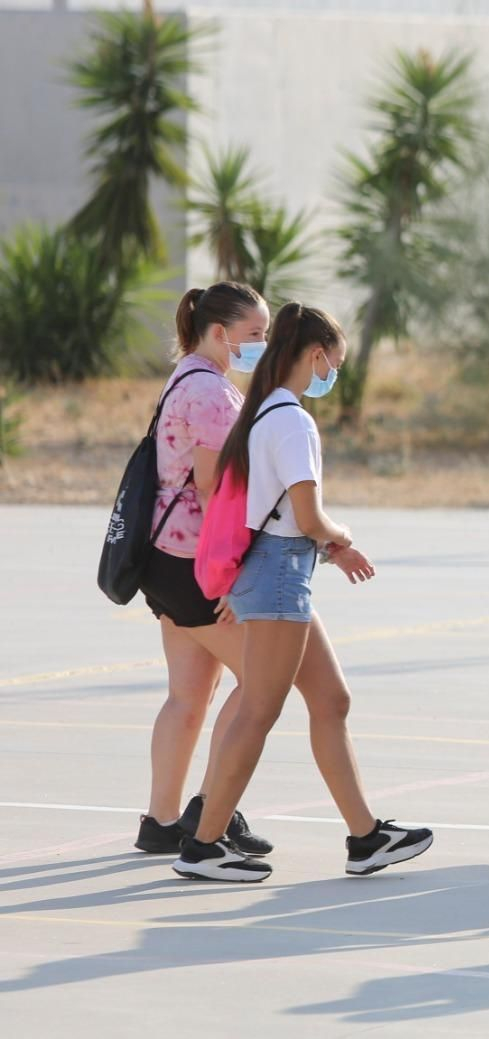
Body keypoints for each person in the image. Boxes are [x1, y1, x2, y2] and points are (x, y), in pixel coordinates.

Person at [172, 304, 433, 882]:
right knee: (258, 712)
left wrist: (330, 551)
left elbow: (282, 513)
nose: (331, 375)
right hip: (280, 574)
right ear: (315, 355)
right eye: (333, 363)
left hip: (279, 569)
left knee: (331, 700)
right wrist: (344, 538)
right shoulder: (291, 420)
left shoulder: (266, 411)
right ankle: (204, 844)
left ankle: (366, 838)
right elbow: (308, 516)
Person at [133, 282, 274, 858]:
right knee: (262, 681)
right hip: (197, 562)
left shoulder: (186, 376)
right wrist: (234, 573)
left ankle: (161, 820)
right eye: (254, 334)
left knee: (188, 696)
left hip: (164, 556)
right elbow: (217, 487)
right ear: (220, 333)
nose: (262, 343)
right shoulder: (213, 393)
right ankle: (211, 810)